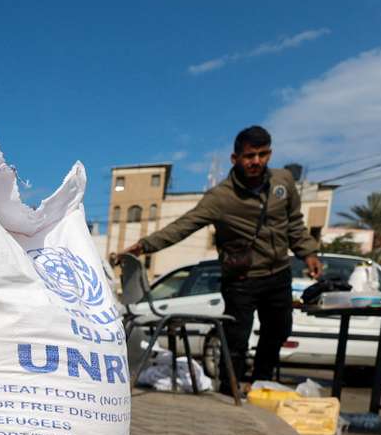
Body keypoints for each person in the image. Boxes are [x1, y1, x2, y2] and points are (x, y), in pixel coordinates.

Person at [113, 125, 323, 392]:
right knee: (236, 338)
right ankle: (230, 387)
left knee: (279, 329)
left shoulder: (282, 183)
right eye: (249, 156)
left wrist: (309, 253)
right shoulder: (220, 198)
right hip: (241, 279)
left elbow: (294, 223)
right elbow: (183, 226)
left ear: (270, 154)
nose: (256, 161)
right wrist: (144, 246)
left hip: (278, 272)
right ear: (235, 159)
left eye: (262, 154)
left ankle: (262, 382)